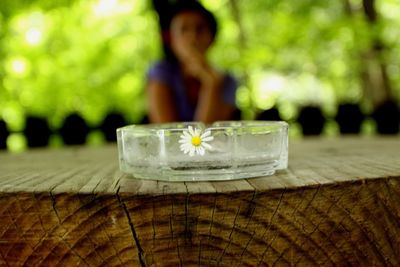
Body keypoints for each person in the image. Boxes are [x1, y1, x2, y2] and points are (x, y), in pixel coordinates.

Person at [147, 1, 238, 123]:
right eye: (183, 30)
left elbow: (209, 133)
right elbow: (165, 131)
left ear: (212, 38)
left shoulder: (227, 80)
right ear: (172, 40)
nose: (192, 37)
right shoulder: (161, 73)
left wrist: (211, 84)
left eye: (200, 29)